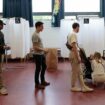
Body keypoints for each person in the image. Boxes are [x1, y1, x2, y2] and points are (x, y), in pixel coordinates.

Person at [68, 23, 93, 92]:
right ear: (77, 27)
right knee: (75, 72)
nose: (79, 29)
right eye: (79, 27)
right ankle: (73, 87)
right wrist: (78, 56)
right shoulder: (73, 34)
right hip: (74, 55)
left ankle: (83, 86)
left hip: (73, 54)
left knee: (80, 72)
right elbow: (74, 47)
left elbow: (68, 45)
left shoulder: (70, 34)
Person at [32, 21, 50, 89]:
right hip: (37, 55)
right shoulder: (35, 35)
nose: (43, 28)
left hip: (41, 54)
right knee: (38, 69)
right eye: (42, 26)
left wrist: (43, 50)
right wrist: (44, 50)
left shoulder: (38, 34)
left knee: (44, 66)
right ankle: (37, 84)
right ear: (38, 26)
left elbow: (38, 45)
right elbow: (35, 47)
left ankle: (42, 81)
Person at [0, 20, 8, 95]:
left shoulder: (1, 33)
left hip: (1, 53)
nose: (3, 26)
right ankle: (0, 88)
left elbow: (3, 44)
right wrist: (4, 47)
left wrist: (5, 46)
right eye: (2, 24)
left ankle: (1, 86)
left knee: (0, 71)